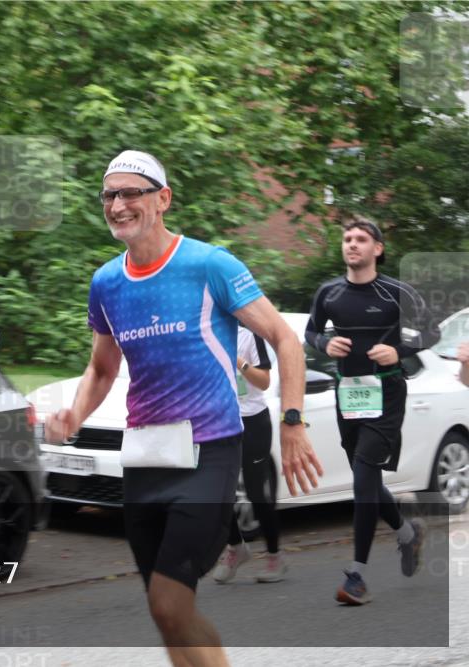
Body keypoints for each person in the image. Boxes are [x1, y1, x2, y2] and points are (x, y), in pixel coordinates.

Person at [45, 150, 322, 667]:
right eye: (109, 195)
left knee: (170, 602)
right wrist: (73, 415)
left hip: (210, 452)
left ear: (163, 199)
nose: (118, 205)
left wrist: (291, 421)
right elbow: (102, 370)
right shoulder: (106, 283)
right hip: (145, 459)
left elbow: (285, 339)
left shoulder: (208, 265)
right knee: (166, 611)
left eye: (131, 193)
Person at [305, 215, 440, 605]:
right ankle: (407, 533)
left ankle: (356, 576)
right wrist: (322, 346)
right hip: (348, 394)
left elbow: (431, 331)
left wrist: (399, 351)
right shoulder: (329, 293)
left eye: (361, 239)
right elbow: (311, 332)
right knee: (366, 479)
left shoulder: (397, 291)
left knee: (364, 478)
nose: (352, 244)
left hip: (387, 394)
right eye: (347, 238)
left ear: (377, 249)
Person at [212, 327, 286, 583]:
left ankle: (275, 556)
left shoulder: (250, 335)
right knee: (216, 491)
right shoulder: (209, 331)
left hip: (253, 421)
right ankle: (236, 547)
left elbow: (264, 381)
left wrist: (239, 362)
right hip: (220, 421)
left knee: (255, 493)